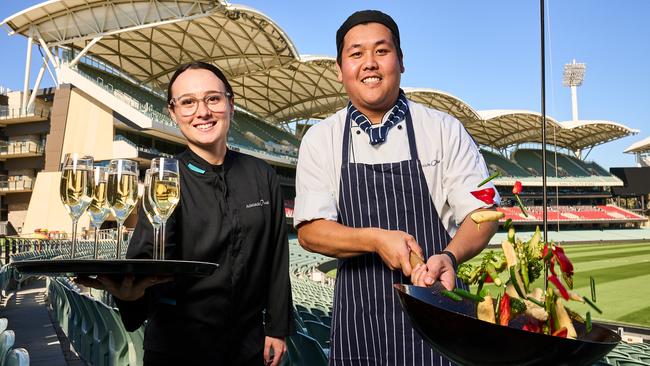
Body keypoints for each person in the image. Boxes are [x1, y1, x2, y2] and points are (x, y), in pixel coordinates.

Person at [294, 10, 500, 366]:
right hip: (360, 319)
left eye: (382, 51)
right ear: (341, 70)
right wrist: (375, 239)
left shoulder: (443, 129)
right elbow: (311, 232)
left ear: (401, 62)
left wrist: (448, 256)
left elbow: (483, 214)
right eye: (356, 54)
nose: (369, 64)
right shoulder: (320, 138)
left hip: (440, 310)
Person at [78, 61, 293, 366]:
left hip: (249, 348)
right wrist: (130, 297)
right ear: (173, 113)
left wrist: (277, 328)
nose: (202, 112)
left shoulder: (261, 174)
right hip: (178, 351)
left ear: (231, 104)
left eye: (213, 99)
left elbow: (275, 257)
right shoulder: (164, 178)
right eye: (188, 102)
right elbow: (145, 264)